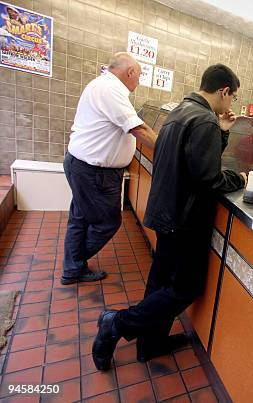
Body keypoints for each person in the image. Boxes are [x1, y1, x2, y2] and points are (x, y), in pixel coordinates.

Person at [92, 64, 247, 370]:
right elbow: (209, 179)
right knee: (185, 287)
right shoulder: (204, 121)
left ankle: (150, 345)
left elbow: (194, 158)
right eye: (233, 97)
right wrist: (239, 180)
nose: (231, 104)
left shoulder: (181, 110)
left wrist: (222, 134)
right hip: (185, 219)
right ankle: (117, 323)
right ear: (224, 91)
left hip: (165, 209)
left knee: (160, 282)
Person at [61, 52, 157, 285]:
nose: (139, 81)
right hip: (94, 173)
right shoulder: (110, 89)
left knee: (80, 218)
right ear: (130, 72)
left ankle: (72, 269)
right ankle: (75, 262)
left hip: (83, 166)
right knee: (107, 223)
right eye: (139, 76)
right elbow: (140, 130)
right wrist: (170, 150)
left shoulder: (102, 85)